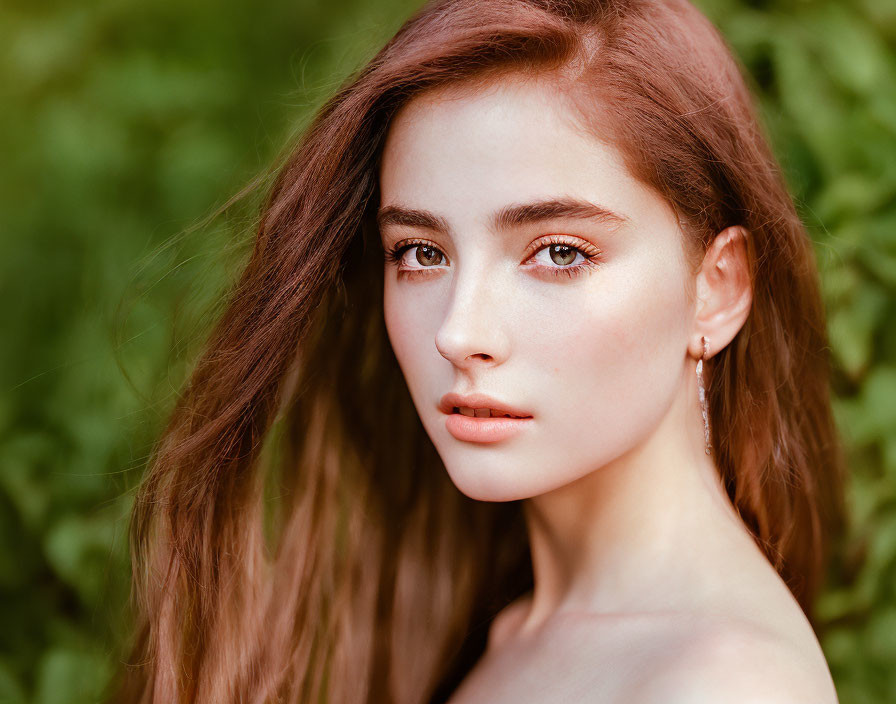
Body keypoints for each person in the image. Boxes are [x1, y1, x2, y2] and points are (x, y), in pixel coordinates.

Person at [108, 0, 847, 702]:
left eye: (559, 252)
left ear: (715, 290)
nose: (458, 333)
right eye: (422, 253)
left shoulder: (725, 685)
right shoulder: (510, 630)